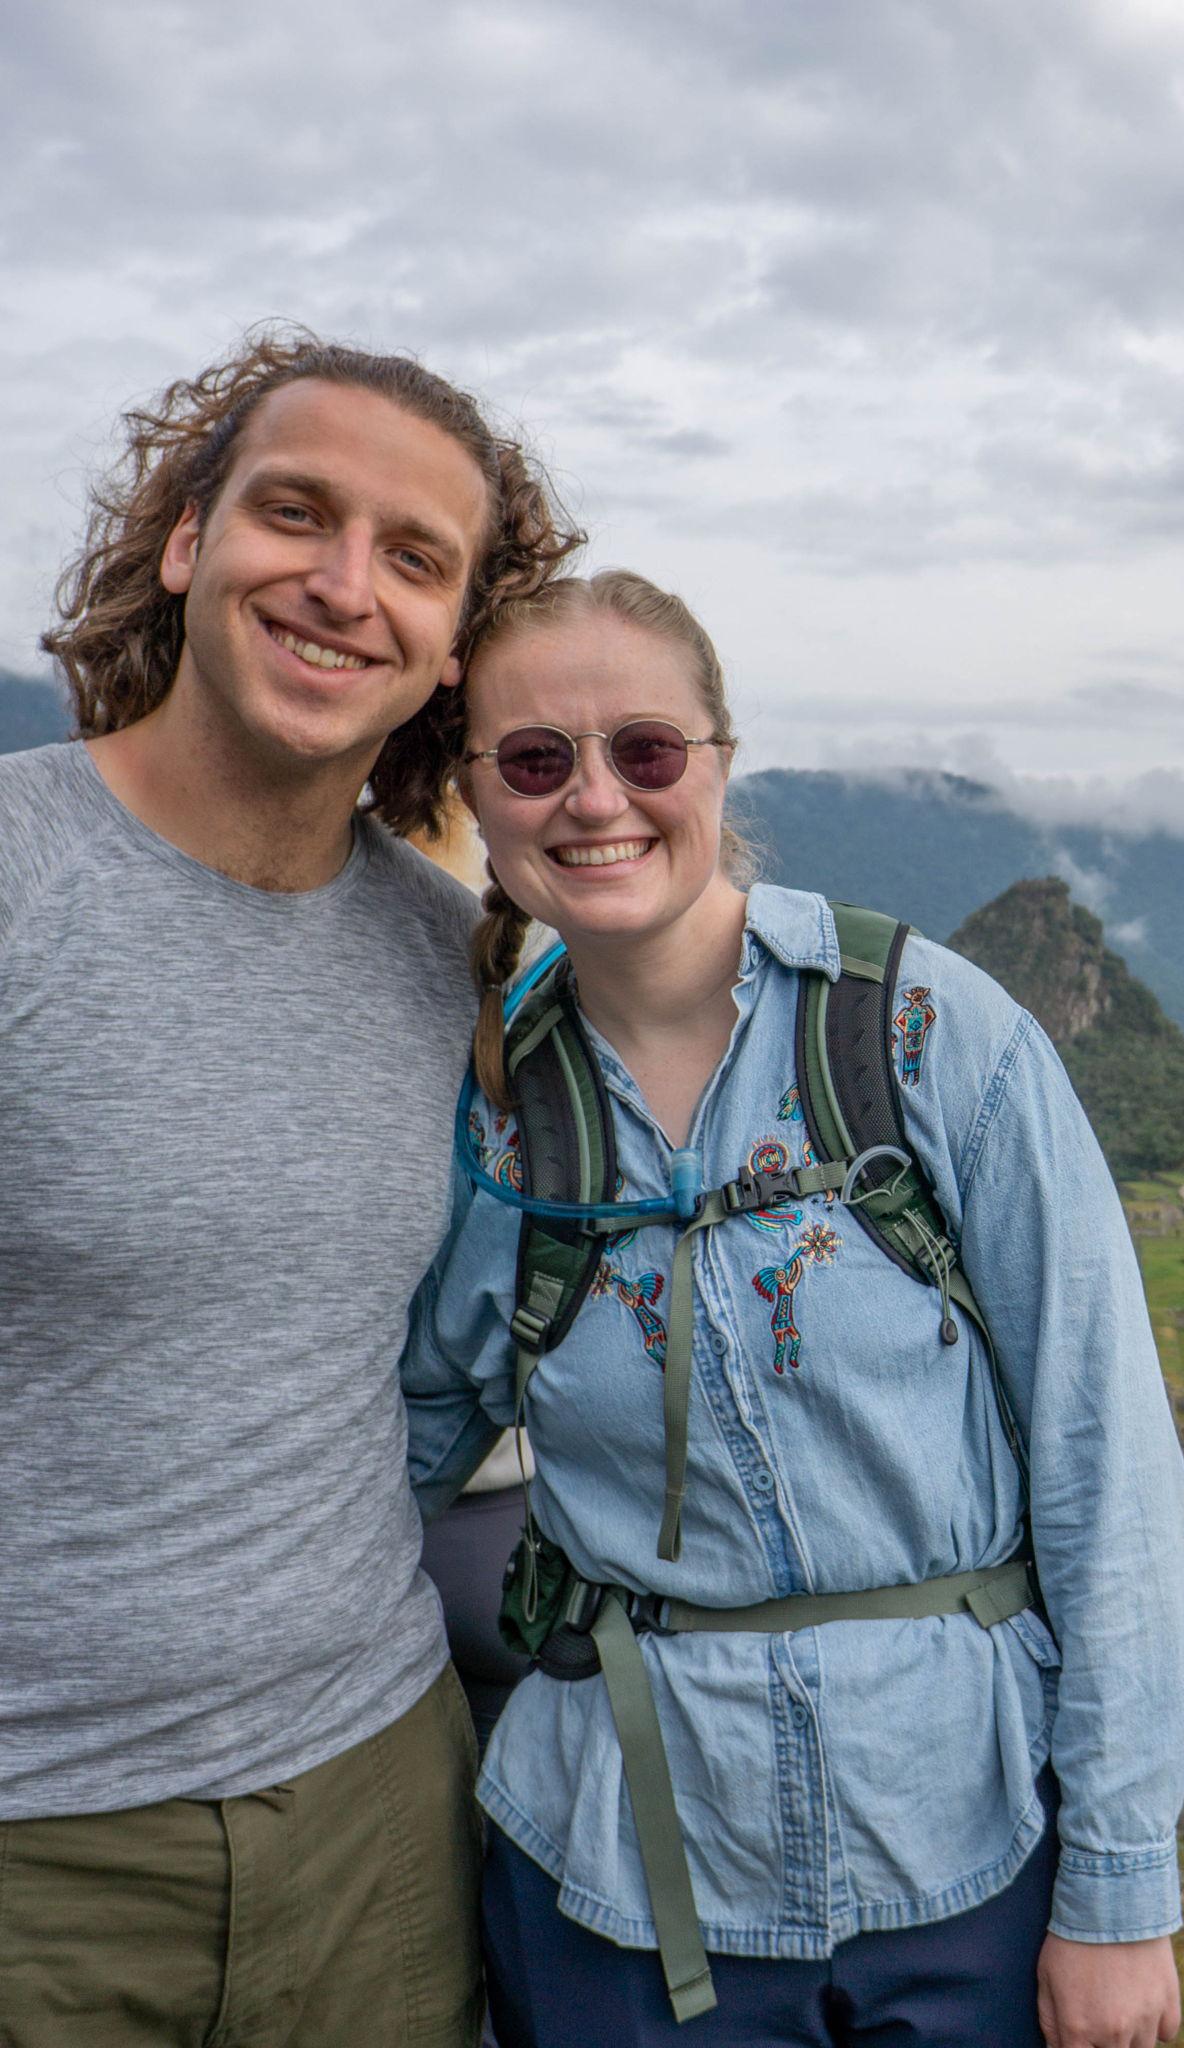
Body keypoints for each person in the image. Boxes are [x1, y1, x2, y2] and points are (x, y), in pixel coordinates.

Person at [403, 571, 1184, 2047]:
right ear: (480, 797)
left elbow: (1108, 1458)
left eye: (646, 751)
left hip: (959, 1850)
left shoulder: (923, 1033)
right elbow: (407, 1429)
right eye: (534, 760)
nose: (596, 800)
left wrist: (1119, 1889)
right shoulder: (494, 1115)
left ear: (717, 760)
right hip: (622, 1882)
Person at [0, 328, 580, 2045]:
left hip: (375, 1809)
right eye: (294, 515)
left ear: (456, 645)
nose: (343, 587)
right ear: (187, 540)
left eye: (413, 559)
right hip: (40, 1848)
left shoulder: (444, 957)